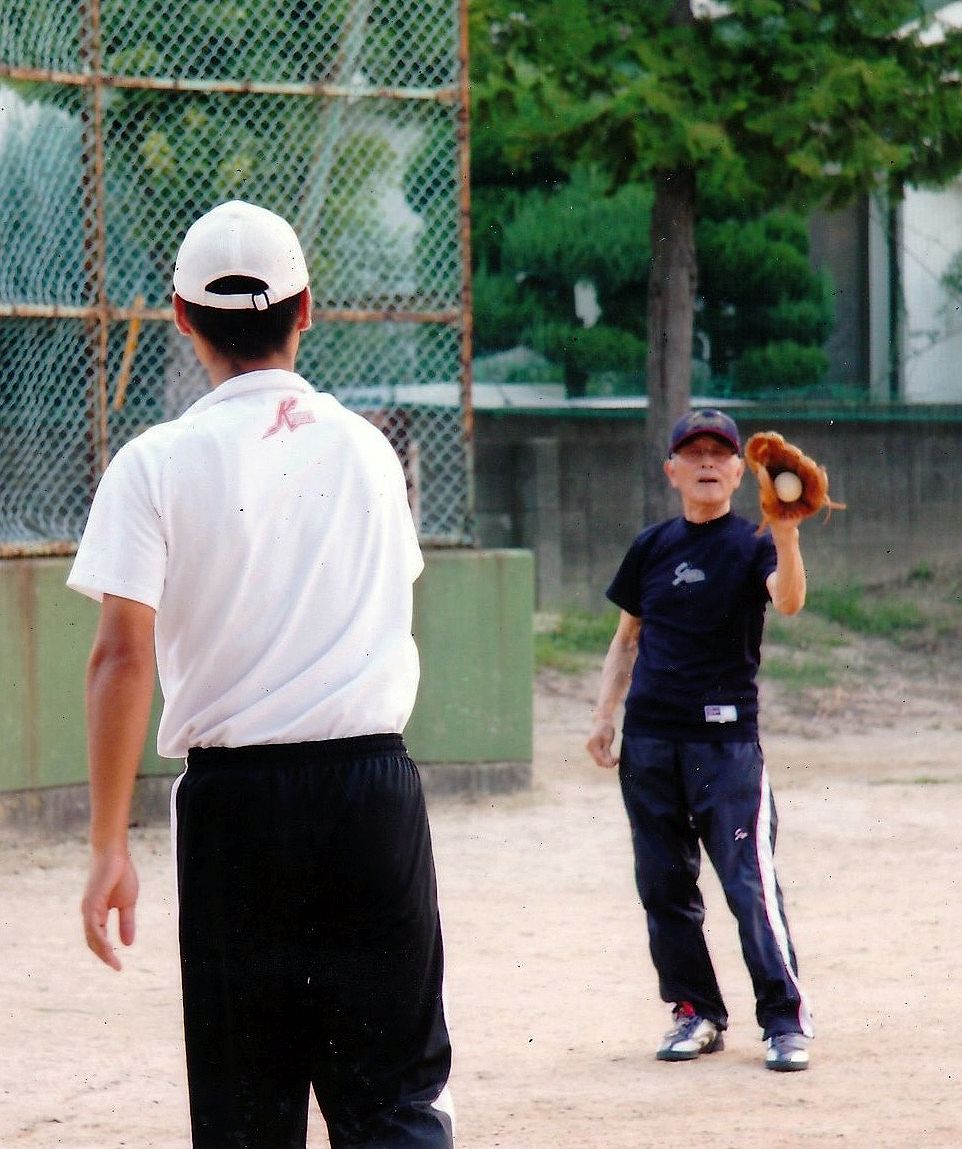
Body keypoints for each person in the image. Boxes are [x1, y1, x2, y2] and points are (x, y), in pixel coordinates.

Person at [67, 200, 454, 1147]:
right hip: (372, 790)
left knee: (249, 1109)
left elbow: (122, 654)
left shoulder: (153, 462)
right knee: (394, 1099)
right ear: (308, 308)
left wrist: (108, 844)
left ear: (182, 315)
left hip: (238, 808)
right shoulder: (368, 449)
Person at [585, 408, 814, 1073]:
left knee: (748, 883)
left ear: (741, 471)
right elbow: (626, 638)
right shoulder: (652, 546)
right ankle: (696, 1011)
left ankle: (784, 1019)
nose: (708, 462)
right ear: (673, 471)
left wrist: (790, 534)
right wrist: (605, 715)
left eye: (721, 453)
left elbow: (791, 600)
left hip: (726, 746)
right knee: (663, 883)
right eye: (696, 452)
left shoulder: (754, 543)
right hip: (651, 742)